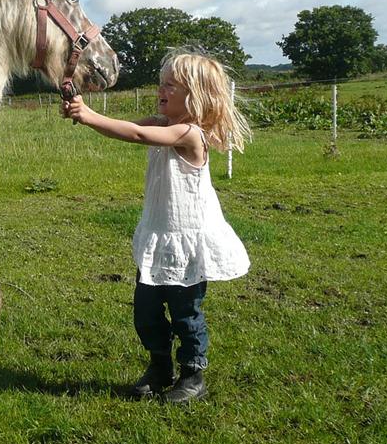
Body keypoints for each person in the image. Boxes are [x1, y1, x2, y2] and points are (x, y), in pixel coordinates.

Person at [62, 49, 251, 403]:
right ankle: (160, 366)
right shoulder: (162, 124)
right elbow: (127, 128)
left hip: (186, 242)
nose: (160, 89)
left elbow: (135, 135)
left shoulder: (190, 134)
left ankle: (192, 375)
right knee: (146, 313)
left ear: (195, 95)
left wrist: (87, 116)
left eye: (170, 85)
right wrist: (84, 108)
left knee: (186, 316)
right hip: (159, 238)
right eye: (160, 83)